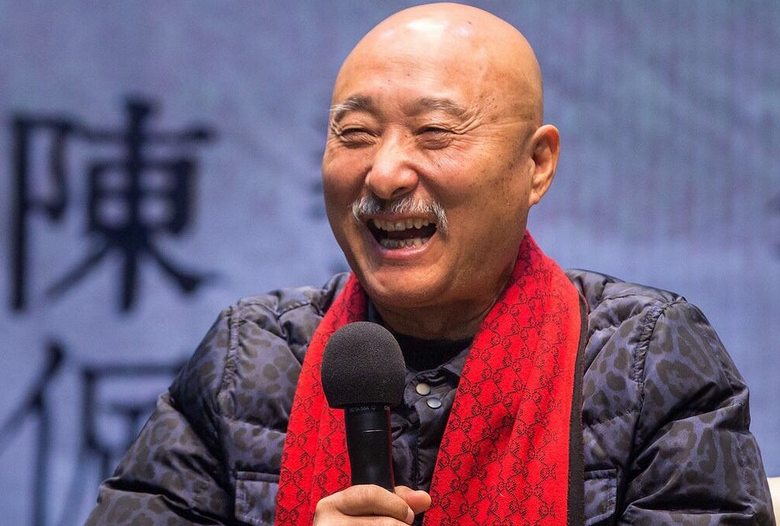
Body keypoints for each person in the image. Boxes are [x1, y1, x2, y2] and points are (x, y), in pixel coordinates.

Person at [86, 3, 774, 525]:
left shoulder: (645, 357)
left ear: (537, 164)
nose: (384, 174)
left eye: (435, 133)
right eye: (355, 134)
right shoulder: (252, 356)